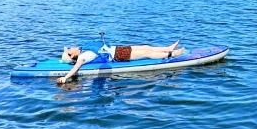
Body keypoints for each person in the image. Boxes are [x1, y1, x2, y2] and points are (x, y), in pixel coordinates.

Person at [57, 40, 185, 84]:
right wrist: (65, 78)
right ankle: (171, 54)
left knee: (146, 47)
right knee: (146, 53)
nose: (72, 47)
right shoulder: (82, 57)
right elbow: (76, 68)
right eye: (70, 49)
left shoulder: (84, 49)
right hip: (119, 55)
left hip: (118, 49)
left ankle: (168, 48)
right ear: (71, 54)